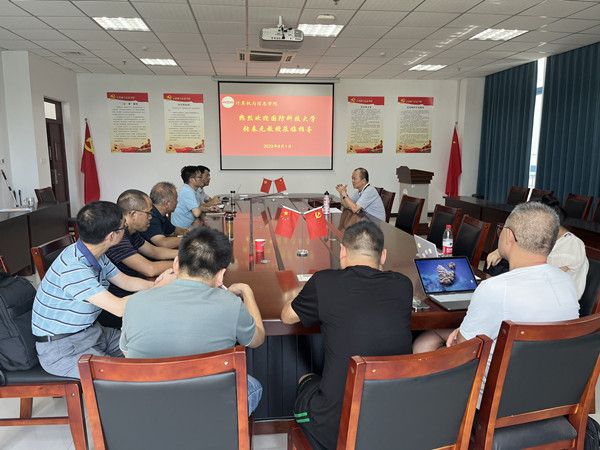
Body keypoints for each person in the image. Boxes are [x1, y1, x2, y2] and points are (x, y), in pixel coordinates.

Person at [280, 221, 413, 449]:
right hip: (391, 421)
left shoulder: (324, 282)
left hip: (336, 426)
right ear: (383, 256)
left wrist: (300, 293)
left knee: (306, 380)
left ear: (342, 252)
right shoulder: (403, 285)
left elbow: (287, 316)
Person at [120, 227, 265, 414]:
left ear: (176, 263)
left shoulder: (135, 302)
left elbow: (127, 352)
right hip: (207, 409)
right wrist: (247, 292)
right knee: (252, 385)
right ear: (221, 275)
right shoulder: (231, 304)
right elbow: (257, 340)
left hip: (146, 408)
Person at [413, 202, 579, 363]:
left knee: (424, 341)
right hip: (549, 374)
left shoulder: (495, 289)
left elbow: (463, 349)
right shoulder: (567, 282)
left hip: (493, 379)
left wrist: (458, 334)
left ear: (509, 236)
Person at [31, 201, 159, 378]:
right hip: (64, 349)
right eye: (124, 227)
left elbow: (125, 281)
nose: (126, 229)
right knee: (128, 377)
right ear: (111, 236)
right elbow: (119, 308)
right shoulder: (74, 268)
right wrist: (159, 289)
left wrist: (157, 286)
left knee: (150, 350)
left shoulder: (92, 252)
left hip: (93, 332)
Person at [486, 194, 589, 298]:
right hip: (532, 295)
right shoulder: (542, 237)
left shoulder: (572, 246)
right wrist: (501, 251)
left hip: (554, 301)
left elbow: (537, 279)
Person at [103, 190, 177, 328]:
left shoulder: (131, 232)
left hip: (133, 290)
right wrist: (181, 263)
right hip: (119, 304)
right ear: (132, 214)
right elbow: (149, 269)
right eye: (148, 213)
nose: (151, 217)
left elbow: (154, 252)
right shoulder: (117, 237)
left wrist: (184, 255)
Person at [141, 181, 188, 249]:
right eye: (176, 199)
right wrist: (189, 239)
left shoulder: (161, 214)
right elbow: (163, 243)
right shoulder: (151, 217)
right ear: (166, 203)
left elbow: (174, 230)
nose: (177, 202)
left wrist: (189, 233)